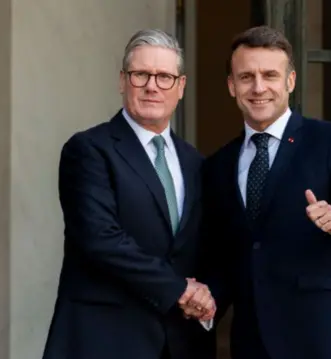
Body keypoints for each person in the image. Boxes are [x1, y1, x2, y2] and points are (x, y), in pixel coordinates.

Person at [198, 26, 331, 359]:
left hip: (329, 337)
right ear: (232, 86)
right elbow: (226, 255)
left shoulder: (329, 140)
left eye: (270, 75)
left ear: (290, 81)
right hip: (255, 343)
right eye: (246, 77)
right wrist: (204, 297)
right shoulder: (217, 165)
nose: (258, 88)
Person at [42, 29, 216, 359]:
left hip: (181, 344)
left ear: (181, 87)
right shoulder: (90, 150)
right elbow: (100, 239)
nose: (152, 86)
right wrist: (180, 290)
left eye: (164, 76)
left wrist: (208, 297)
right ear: (123, 81)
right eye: (141, 75)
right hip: (105, 341)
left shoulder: (196, 163)